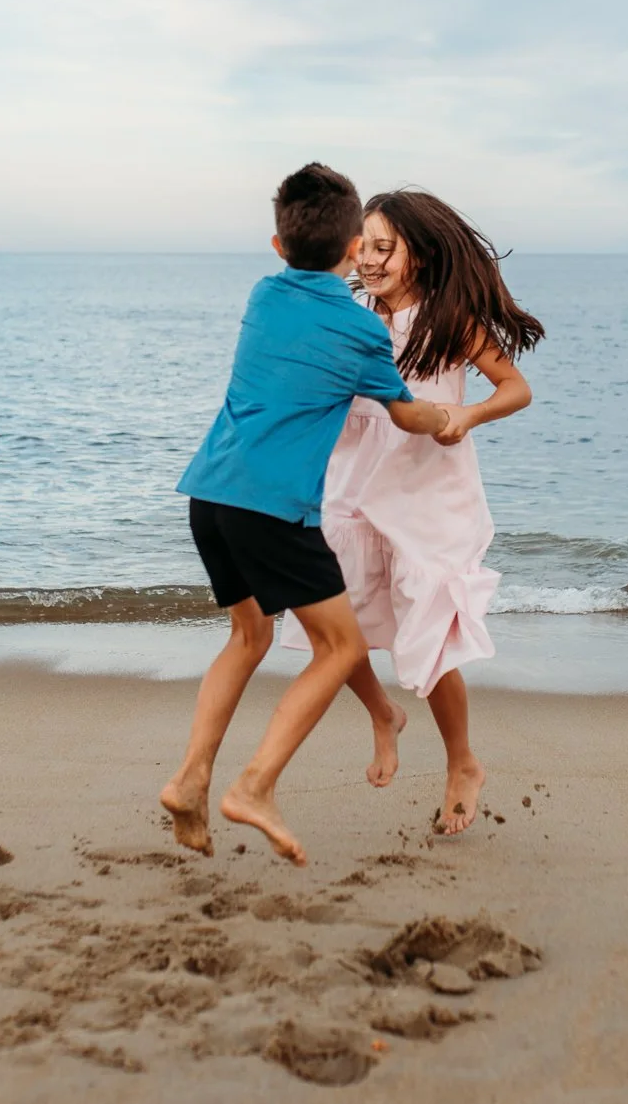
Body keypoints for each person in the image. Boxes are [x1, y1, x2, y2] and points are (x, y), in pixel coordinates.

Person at [161, 163, 450, 867]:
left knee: (247, 636)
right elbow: (403, 412)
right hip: (272, 506)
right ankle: (254, 785)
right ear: (357, 247)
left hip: (210, 492)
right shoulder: (361, 332)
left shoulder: (262, 296)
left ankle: (190, 778)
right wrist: (441, 415)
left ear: (275, 244)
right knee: (342, 648)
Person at [278, 188, 543, 835]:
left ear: (418, 254)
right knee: (332, 624)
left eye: (383, 247)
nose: (367, 259)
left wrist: (469, 413)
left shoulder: (449, 319)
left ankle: (462, 762)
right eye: (363, 245)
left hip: (427, 494)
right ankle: (381, 714)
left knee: (427, 637)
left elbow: (516, 388)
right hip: (354, 488)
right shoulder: (352, 314)